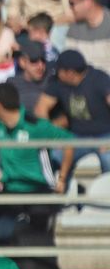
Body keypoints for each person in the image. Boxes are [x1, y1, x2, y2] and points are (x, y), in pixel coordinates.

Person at [0, 82, 74, 268]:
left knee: (28, 236)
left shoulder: (35, 125)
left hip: (37, 191)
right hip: (11, 192)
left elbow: (69, 141)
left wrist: (62, 178)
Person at [35, 49, 110, 182]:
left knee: (108, 160)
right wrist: (52, 135)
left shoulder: (99, 79)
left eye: (59, 70)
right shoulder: (57, 82)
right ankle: (60, 197)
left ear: (69, 73)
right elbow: (41, 109)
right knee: (55, 157)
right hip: (76, 137)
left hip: (105, 135)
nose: (56, 73)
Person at [64, 0, 110, 74]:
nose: (70, 8)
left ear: (87, 2)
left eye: (72, 3)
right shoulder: (74, 29)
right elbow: (70, 61)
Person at [6, 37, 52, 112]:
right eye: (34, 60)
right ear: (22, 62)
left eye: (43, 60)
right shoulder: (12, 84)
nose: (40, 66)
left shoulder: (52, 81)